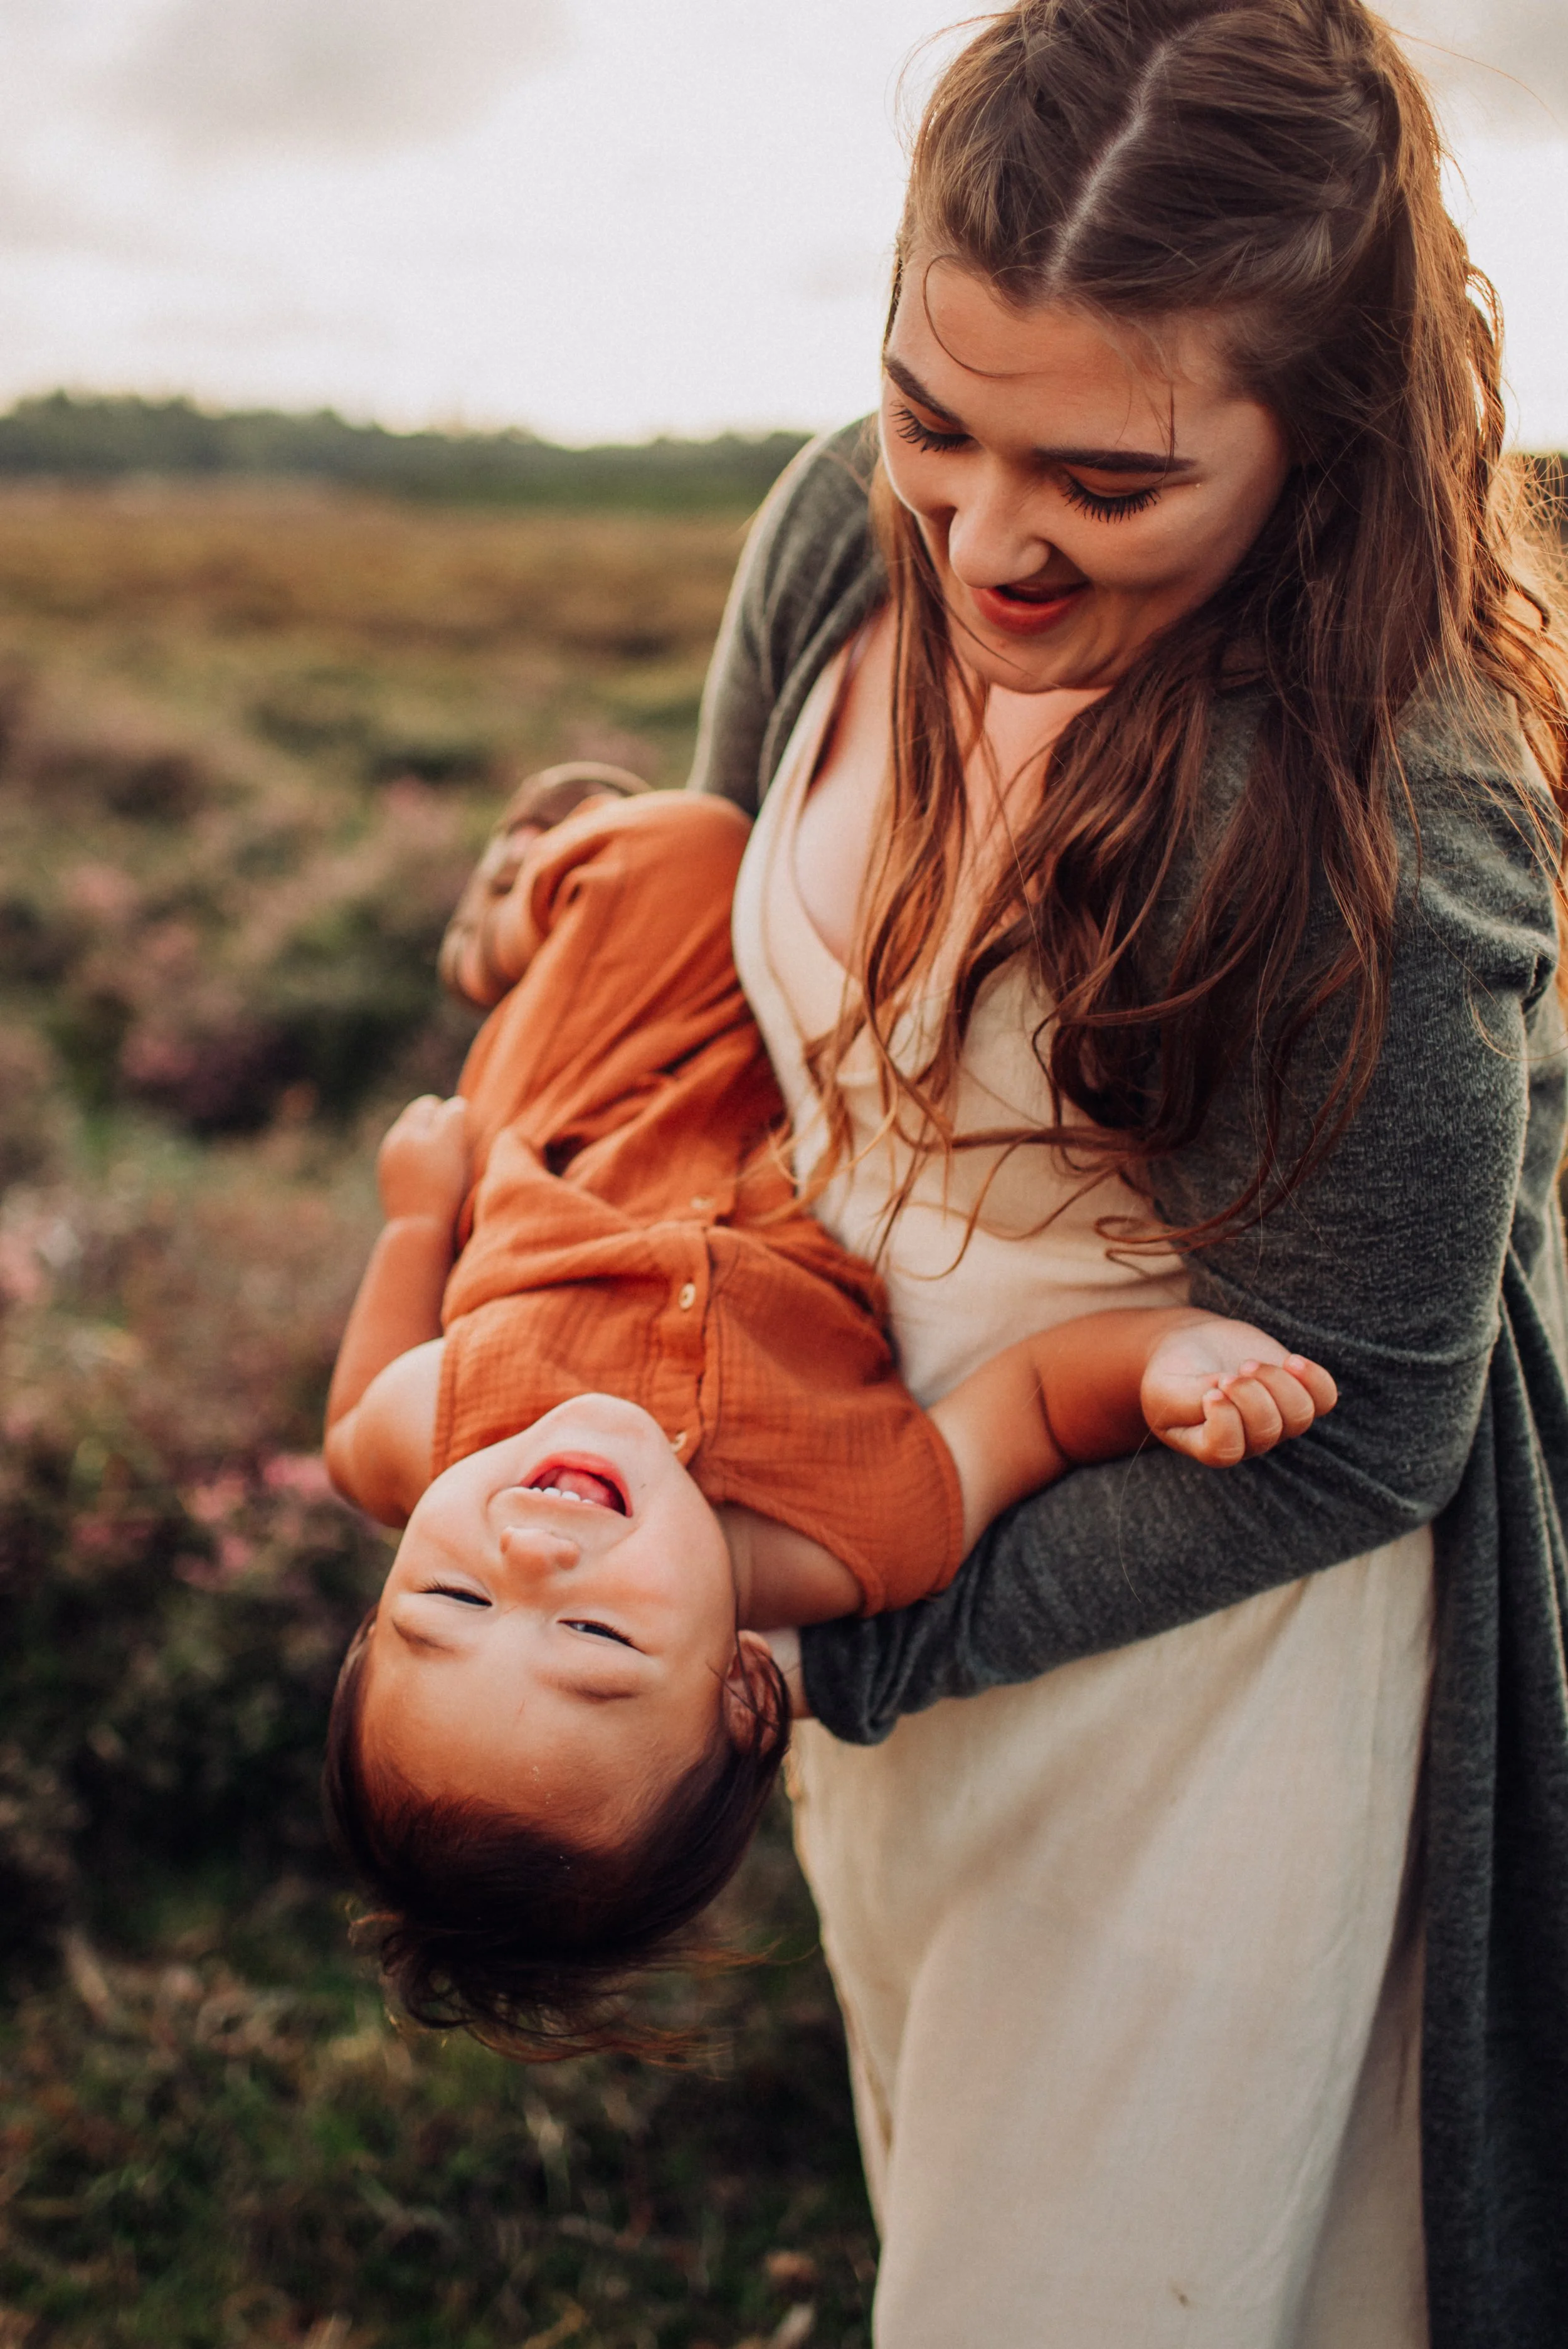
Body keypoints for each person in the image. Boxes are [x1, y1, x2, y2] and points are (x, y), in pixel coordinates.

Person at [689, 1, 1568, 2343]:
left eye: (1108, 478)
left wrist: (891, 1617)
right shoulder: (831, 532)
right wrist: (574, 917)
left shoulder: (1385, 817)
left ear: (1324, 441)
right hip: (888, 1652)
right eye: (931, 417)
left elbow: (1379, 1419)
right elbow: (708, 918)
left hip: (1195, 1704)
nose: (987, 531)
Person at [319, 782, 1332, 2058]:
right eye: (588, 1632)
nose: (521, 1554)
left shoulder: (438, 1434)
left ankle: (512, 926)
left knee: (681, 844)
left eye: (448, 1604)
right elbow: (1029, 1408)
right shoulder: (866, 1536)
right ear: (743, 1689)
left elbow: (352, 1418)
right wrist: (1161, 1362)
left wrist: (418, 1219)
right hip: (797, 1134)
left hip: (584, 1108)